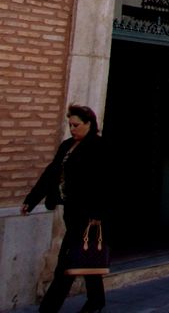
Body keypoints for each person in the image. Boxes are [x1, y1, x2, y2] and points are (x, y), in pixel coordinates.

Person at [21, 104, 108, 313]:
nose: (72, 129)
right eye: (70, 125)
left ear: (89, 124)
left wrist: (98, 213)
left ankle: (48, 309)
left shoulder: (99, 147)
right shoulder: (67, 145)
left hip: (89, 215)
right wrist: (31, 200)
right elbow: (51, 173)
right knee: (85, 258)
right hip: (72, 211)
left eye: (76, 125)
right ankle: (97, 301)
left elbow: (106, 183)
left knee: (67, 263)